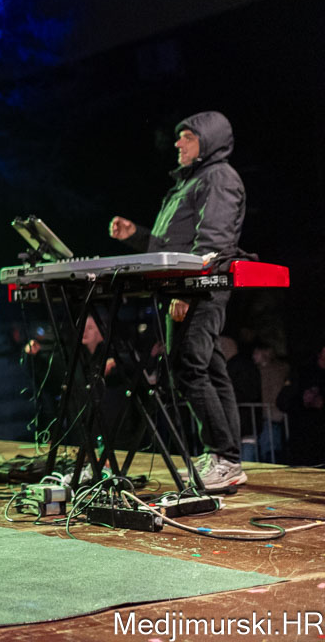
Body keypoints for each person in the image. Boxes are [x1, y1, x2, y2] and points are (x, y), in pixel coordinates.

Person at [109, 110, 247, 489]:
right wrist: (136, 235)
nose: (178, 143)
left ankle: (224, 458)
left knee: (188, 368)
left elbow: (214, 241)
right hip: (188, 287)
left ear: (207, 141)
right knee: (209, 370)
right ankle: (225, 457)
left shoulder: (218, 177)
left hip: (199, 289)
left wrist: (188, 291)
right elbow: (170, 246)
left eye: (187, 137)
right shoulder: (192, 181)